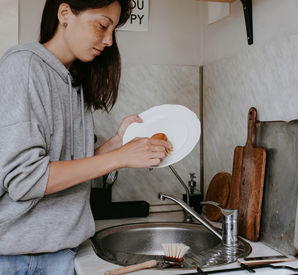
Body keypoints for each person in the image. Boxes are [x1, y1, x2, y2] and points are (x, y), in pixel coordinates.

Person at [0, 0, 171, 274]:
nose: (109, 41)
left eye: (113, 30)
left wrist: (116, 144)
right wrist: (119, 158)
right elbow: (25, 179)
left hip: (63, 251)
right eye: (102, 25)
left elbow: (70, 169)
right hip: (20, 259)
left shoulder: (74, 82)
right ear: (65, 13)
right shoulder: (23, 66)